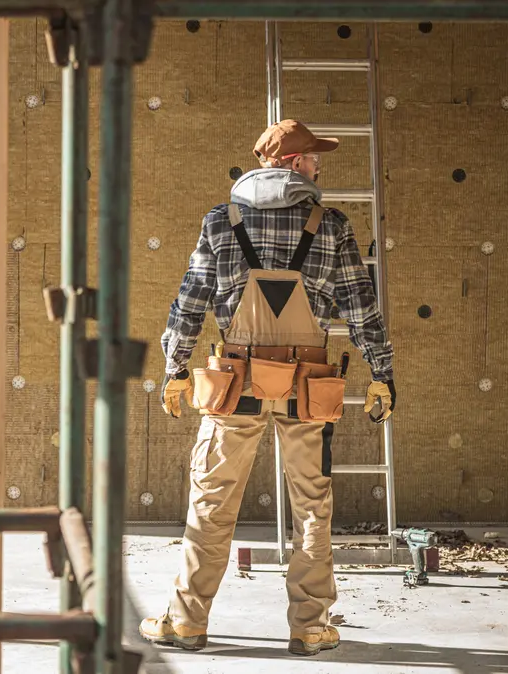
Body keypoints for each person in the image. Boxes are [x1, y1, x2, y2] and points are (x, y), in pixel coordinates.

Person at [139, 119, 396, 657]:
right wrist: (381, 372)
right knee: (312, 509)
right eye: (312, 157)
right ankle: (310, 626)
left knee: (211, 504)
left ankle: (187, 622)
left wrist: (176, 366)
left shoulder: (221, 220)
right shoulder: (333, 225)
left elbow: (189, 301)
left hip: (234, 386)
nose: (318, 164)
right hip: (308, 388)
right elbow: (361, 308)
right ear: (291, 163)